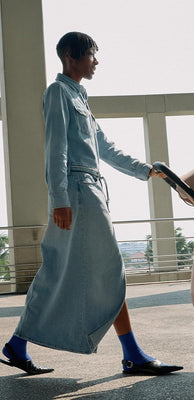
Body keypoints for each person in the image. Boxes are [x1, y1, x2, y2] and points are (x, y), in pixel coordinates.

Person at [0, 32, 182, 376]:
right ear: (71, 56)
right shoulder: (57, 93)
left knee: (61, 271)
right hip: (77, 191)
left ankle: (17, 344)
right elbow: (56, 148)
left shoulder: (80, 97)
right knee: (108, 269)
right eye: (91, 55)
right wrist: (60, 200)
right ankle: (132, 354)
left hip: (91, 190)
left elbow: (106, 148)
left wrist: (145, 169)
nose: (96, 62)